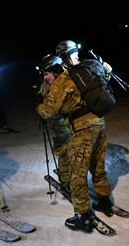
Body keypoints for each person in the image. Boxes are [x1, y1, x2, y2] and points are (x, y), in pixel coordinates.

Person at [36, 40, 113, 233]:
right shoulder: (84, 72)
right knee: (97, 164)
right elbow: (105, 80)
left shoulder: (64, 79)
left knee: (77, 173)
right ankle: (104, 202)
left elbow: (48, 110)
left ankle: (83, 217)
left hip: (83, 127)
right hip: (99, 122)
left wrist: (39, 107)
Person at [38, 54, 71, 193]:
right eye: (44, 74)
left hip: (71, 123)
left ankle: (69, 176)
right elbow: (49, 108)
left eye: (47, 74)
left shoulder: (65, 80)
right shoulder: (49, 86)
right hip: (61, 124)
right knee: (66, 151)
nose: (45, 77)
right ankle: (66, 181)